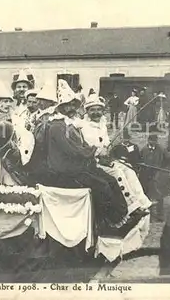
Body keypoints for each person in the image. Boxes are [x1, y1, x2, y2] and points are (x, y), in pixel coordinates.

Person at [27, 79, 129, 232]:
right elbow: (71, 149)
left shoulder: (70, 124)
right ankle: (105, 223)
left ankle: (121, 216)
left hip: (78, 167)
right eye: (67, 105)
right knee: (102, 185)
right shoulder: (56, 126)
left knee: (111, 180)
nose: (71, 108)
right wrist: (94, 151)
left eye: (73, 104)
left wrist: (96, 150)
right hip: (64, 171)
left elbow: (81, 145)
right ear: (60, 107)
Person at [139, 134, 170, 221]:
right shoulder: (144, 149)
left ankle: (160, 215)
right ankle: (148, 214)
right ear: (148, 141)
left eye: (155, 141)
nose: (153, 143)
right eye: (151, 141)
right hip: (146, 175)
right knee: (147, 194)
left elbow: (168, 158)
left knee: (159, 195)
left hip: (157, 175)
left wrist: (162, 168)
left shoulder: (161, 149)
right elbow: (140, 160)